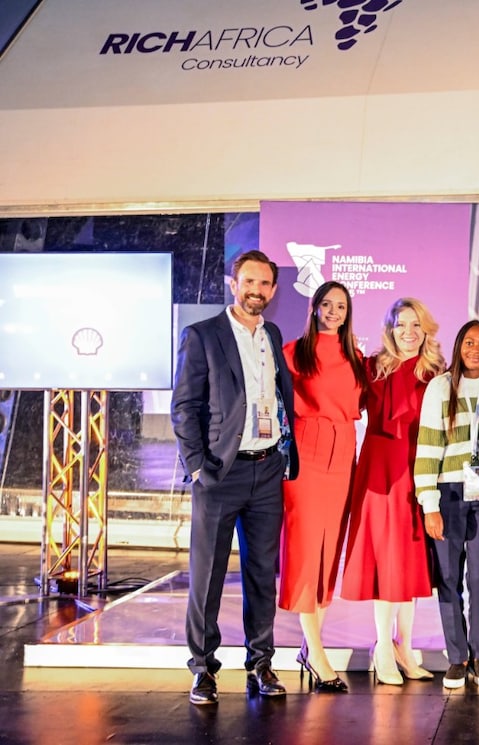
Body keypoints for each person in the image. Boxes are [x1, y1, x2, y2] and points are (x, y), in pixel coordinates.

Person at [171, 249, 299, 705]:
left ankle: (261, 663)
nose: (256, 291)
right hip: (219, 473)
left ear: (273, 289)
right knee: (206, 576)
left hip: (266, 470)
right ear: (233, 283)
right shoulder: (203, 335)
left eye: (265, 284)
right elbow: (183, 407)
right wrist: (198, 466)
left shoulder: (273, 335)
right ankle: (203, 668)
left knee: (263, 574)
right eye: (249, 282)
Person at [341, 297, 444, 685]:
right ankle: (383, 645)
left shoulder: (436, 373)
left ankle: (405, 646)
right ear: (390, 329)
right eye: (401, 324)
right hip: (380, 472)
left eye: (416, 324)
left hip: (418, 473)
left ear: (426, 330)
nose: (409, 332)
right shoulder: (372, 367)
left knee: (410, 564)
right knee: (386, 562)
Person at [279, 281, 366, 693]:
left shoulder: (356, 357)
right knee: (306, 548)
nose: (334, 311)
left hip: (343, 455)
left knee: (330, 551)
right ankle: (316, 651)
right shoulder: (294, 352)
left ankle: (309, 646)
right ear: (314, 308)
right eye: (327, 304)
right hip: (307, 456)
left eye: (341, 306)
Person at [414, 320, 479, 689]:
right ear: (458, 345)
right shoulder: (440, 386)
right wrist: (428, 503)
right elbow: (428, 446)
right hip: (447, 494)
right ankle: (457, 657)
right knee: (448, 578)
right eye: (469, 342)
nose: (476, 350)